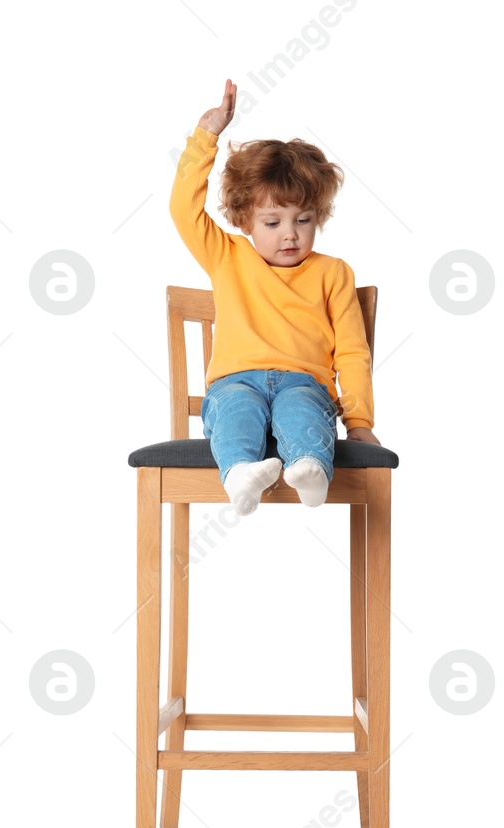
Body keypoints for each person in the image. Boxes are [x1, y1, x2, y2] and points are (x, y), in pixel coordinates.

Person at [171, 79, 379, 516]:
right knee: (234, 411)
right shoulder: (226, 255)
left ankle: (310, 469)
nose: (289, 233)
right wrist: (206, 136)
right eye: (272, 222)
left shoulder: (333, 272)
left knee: (303, 410)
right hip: (235, 381)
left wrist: (359, 423)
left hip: (305, 382)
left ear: (317, 217)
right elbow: (182, 210)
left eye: (303, 219)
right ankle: (241, 475)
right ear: (245, 221)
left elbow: (353, 353)